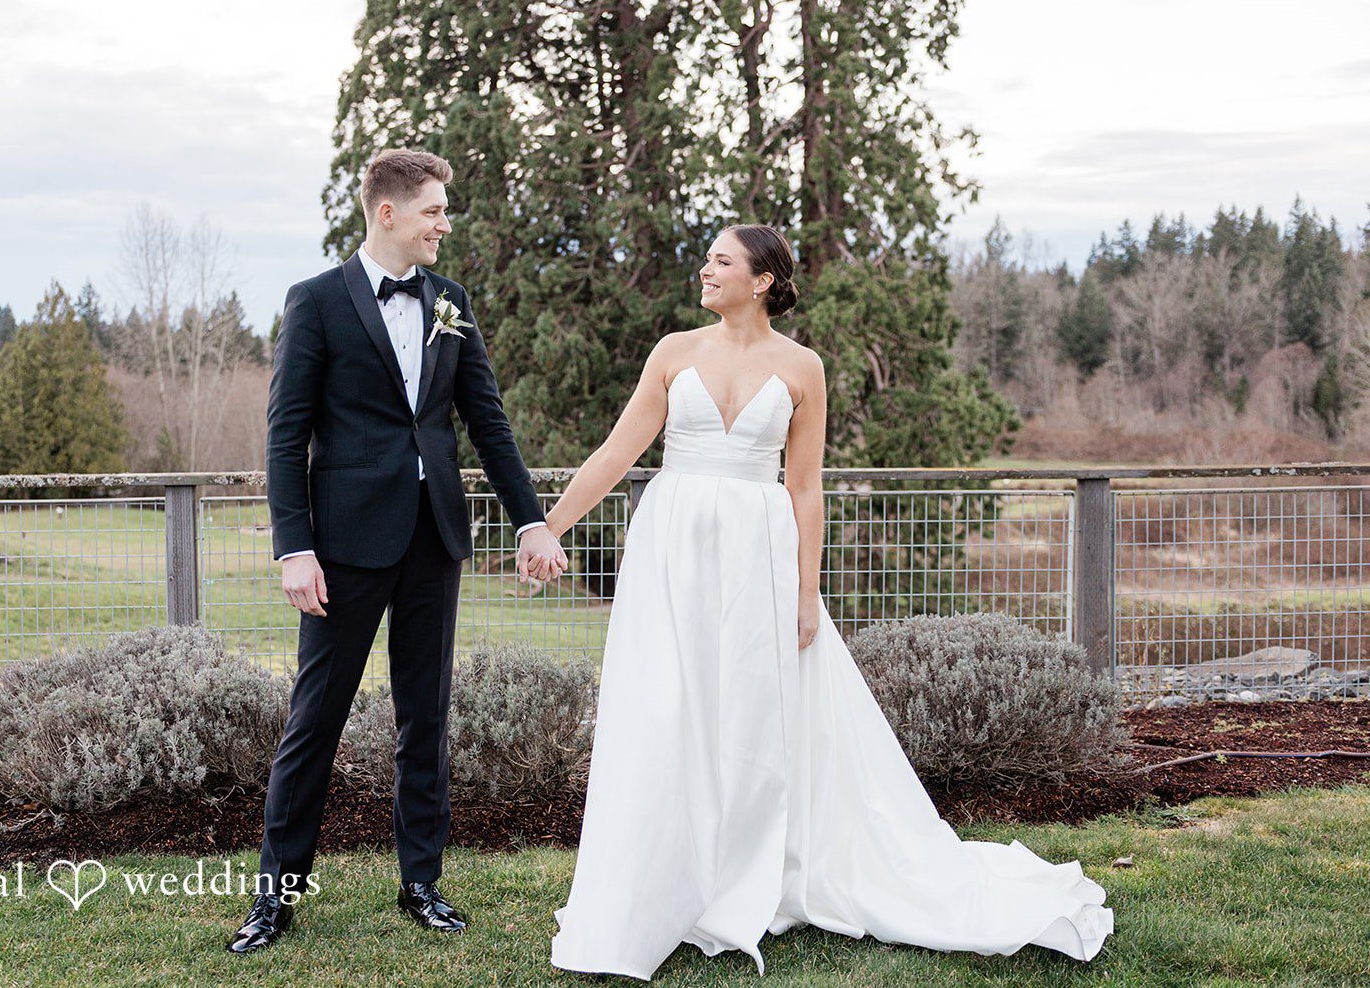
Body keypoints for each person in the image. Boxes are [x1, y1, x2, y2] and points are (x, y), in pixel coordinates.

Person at [539, 224, 1114, 979]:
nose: (705, 269)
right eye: (707, 258)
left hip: (759, 551)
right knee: (668, 704)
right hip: (673, 546)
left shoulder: (803, 366)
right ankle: (659, 878)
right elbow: (618, 452)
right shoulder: (673, 352)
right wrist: (549, 527)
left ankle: (748, 871)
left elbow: (805, 488)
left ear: (762, 281)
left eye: (721, 260)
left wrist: (806, 590)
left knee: (752, 709)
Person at [228, 148, 569, 954]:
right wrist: (293, 548)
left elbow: (487, 422)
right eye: (434, 211)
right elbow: (285, 434)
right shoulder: (315, 301)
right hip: (343, 547)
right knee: (316, 718)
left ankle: (422, 880)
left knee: (426, 715)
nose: (445, 224)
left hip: (433, 537)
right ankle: (276, 896)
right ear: (389, 212)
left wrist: (531, 522)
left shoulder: (451, 301)